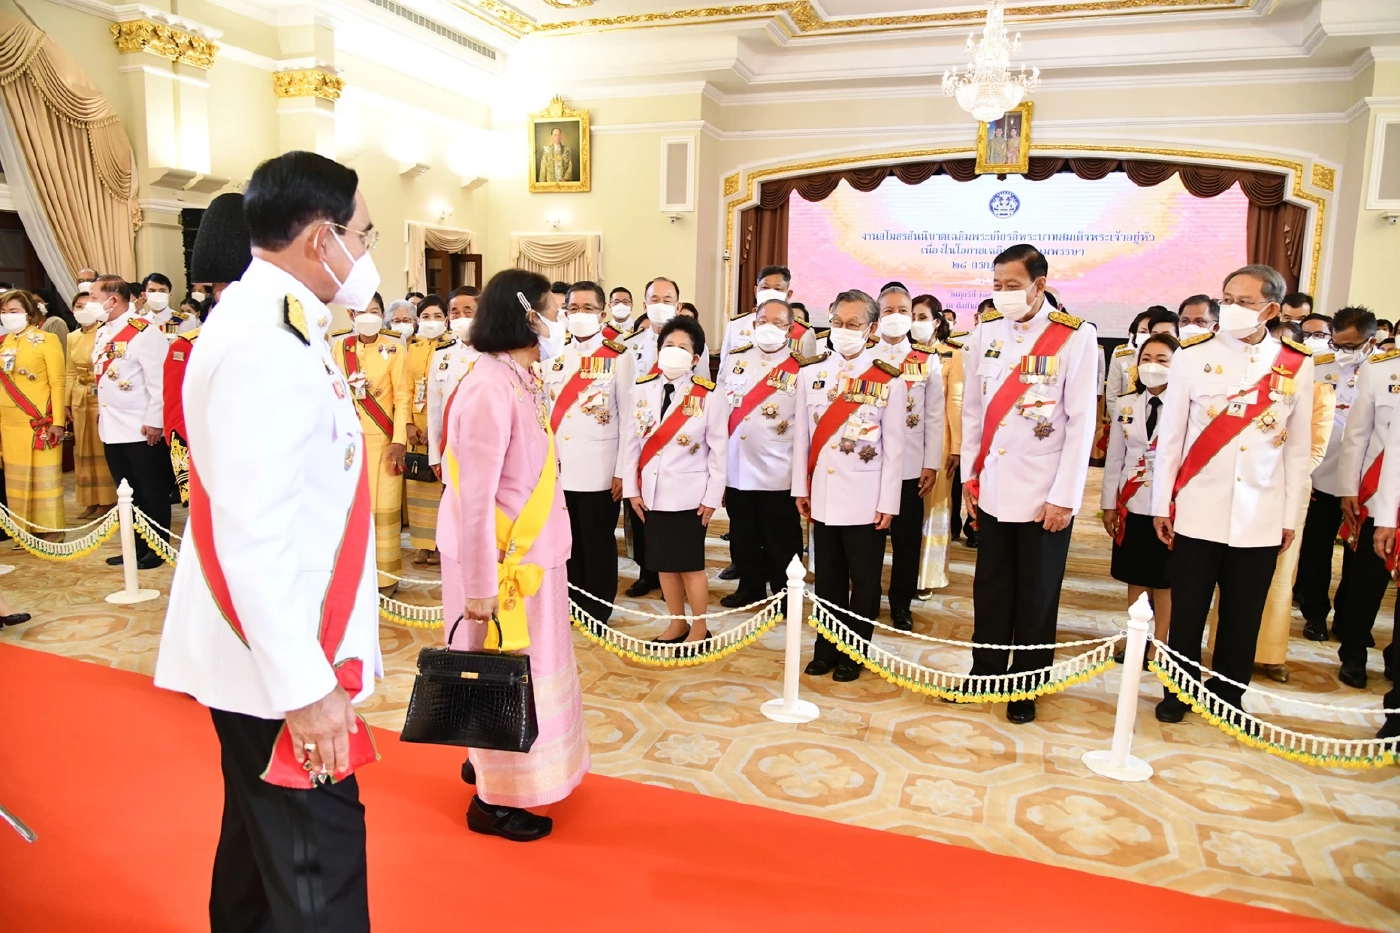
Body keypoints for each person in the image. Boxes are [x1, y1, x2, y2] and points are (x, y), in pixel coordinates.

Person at [154, 151, 382, 929]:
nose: (367, 249)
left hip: (266, 645)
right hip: (278, 656)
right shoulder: (264, 340)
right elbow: (254, 535)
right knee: (318, 869)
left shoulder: (276, 321)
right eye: (363, 231)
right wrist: (305, 687)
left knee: (259, 855)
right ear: (322, 239)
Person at [438, 267, 589, 841]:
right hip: (499, 565)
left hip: (530, 553)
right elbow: (474, 497)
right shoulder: (487, 386)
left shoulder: (522, 376)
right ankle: (494, 801)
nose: (557, 318)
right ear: (525, 315)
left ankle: (487, 763)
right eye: (550, 308)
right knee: (505, 675)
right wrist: (479, 585)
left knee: (527, 670)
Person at [1151, 264, 1315, 726]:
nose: (1232, 309)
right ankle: (1177, 692)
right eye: (1227, 298)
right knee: (1188, 610)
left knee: (1243, 615)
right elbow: (1172, 439)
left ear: (1271, 309)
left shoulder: (1297, 364)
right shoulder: (1192, 354)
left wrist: (1289, 517)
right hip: (1199, 507)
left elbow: (1297, 451)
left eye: (1243, 301)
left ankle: (1228, 697)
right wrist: (1163, 503)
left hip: (1260, 513)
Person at [960, 245, 1098, 724]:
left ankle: (1027, 684)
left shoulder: (1075, 337)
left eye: (1012, 286)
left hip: (1044, 491)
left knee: (1037, 593)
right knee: (991, 586)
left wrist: (1064, 497)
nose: (1003, 295)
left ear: (1040, 285)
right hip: (993, 484)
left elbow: (1082, 425)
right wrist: (969, 480)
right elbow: (974, 412)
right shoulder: (984, 334)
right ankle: (985, 671)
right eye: (997, 285)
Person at [794, 289, 907, 681]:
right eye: (837, 323)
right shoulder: (810, 373)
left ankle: (854, 651)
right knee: (827, 579)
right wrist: (800, 489)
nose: (843, 331)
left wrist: (889, 501)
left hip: (865, 495)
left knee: (863, 581)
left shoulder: (889, 380)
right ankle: (825, 648)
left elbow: (895, 448)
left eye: (853, 325)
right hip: (823, 494)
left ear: (871, 329)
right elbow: (802, 441)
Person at [622, 315, 725, 643]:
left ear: (696, 359)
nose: (674, 352)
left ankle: (699, 627)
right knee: (663, 563)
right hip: (651, 494)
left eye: (683, 348)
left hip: (690, 496)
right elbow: (631, 444)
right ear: (657, 349)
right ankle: (676, 622)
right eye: (669, 345)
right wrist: (631, 489)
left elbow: (719, 452)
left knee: (689, 565)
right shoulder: (640, 390)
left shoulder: (710, 395)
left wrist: (712, 497)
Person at [545, 281, 633, 625]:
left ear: (603, 313)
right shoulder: (554, 353)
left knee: (597, 541)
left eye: (588, 308)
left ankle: (597, 607)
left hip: (599, 469)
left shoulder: (619, 356)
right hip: (558, 468)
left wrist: (623, 470)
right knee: (566, 540)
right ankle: (570, 600)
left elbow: (628, 417)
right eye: (574, 308)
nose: (580, 315)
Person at [1292, 307, 1376, 646]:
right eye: (1337, 343)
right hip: (1323, 475)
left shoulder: (1386, 370)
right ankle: (1315, 613)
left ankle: (1349, 618)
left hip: (1366, 479)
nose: (1343, 351)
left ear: (1370, 341)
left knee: (1361, 556)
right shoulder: (1316, 365)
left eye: (1352, 345)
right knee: (1316, 548)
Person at [166, 191, 253, 508]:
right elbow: (179, 417)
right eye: (221, 288)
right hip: (218, 468)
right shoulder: (191, 346)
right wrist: (186, 479)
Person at [719, 297, 803, 609]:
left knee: (781, 538)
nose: (769, 328)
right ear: (754, 325)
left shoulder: (802, 368)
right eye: (763, 321)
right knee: (743, 535)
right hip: (738, 465)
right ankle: (750, 587)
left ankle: (785, 595)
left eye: (778, 323)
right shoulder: (736, 359)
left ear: (790, 329)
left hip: (778, 469)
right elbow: (722, 408)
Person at [1330, 320, 1400, 693]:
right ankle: (1354, 653)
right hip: (1376, 496)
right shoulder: (1382, 368)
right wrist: (1348, 489)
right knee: (1366, 582)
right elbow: (1357, 434)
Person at [870, 285, 944, 629]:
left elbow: (933, 416)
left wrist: (931, 463)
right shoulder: (863, 356)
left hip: (910, 466)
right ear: (877, 315)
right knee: (867, 540)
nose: (896, 317)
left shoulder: (925, 360)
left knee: (906, 540)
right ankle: (867, 601)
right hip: (868, 464)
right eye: (889, 311)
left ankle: (901, 603)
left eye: (904, 311)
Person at [1102, 333, 1179, 661]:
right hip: (1133, 502)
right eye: (1147, 358)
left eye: (1162, 360)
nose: (1153, 366)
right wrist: (1108, 503)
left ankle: (1160, 647)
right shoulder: (1127, 404)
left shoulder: (1185, 405)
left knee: (1165, 580)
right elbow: (1114, 458)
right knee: (1136, 574)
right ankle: (1137, 639)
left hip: (1170, 506)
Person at [90, 275, 170, 570]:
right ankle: (134, 546)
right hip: (112, 425)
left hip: (139, 426)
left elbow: (159, 382)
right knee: (127, 490)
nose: (90, 304)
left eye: (94, 297)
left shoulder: (144, 333)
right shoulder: (103, 332)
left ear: (114, 299)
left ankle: (157, 547)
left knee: (151, 489)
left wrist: (155, 421)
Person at [331, 291, 409, 594]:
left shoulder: (393, 349)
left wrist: (399, 440)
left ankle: (386, 578)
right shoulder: (340, 346)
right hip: (349, 441)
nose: (368, 316)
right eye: (361, 311)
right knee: (353, 508)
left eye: (374, 310)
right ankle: (356, 575)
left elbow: (402, 397)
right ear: (351, 316)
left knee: (385, 508)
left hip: (385, 441)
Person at [622, 276, 685, 597]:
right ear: (644, 303)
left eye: (667, 298)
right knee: (641, 514)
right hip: (641, 443)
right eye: (654, 298)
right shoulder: (628, 347)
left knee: (674, 516)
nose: (660, 304)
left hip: (679, 446)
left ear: (678, 303)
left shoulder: (689, 343)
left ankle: (673, 576)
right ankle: (648, 573)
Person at [0, 289, 66, 540]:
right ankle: (23, 528)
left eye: (13, 311)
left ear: (28, 313)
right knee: (15, 478)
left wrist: (58, 421)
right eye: (4, 312)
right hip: (9, 423)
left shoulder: (46, 340)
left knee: (44, 477)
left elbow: (58, 382)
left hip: (38, 421)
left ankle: (51, 529)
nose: (8, 316)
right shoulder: (4, 342)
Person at [394, 296, 452, 566]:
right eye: (426, 316)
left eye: (437, 316)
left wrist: (435, 426)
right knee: (418, 485)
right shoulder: (411, 349)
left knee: (442, 485)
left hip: (442, 424)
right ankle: (423, 545)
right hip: (415, 425)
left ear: (446, 318)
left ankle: (443, 544)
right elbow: (404, 389)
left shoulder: (453, 348)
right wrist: (407, 423)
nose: (431, 321)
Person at [917, 312, 964, 593]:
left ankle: (928, 578)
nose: (914, 321)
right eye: (911, 315)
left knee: (934, 513)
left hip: (940, 443)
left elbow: (956, 402)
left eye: (921, 316)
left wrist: (957, 447)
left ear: (936, 321)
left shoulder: (953, 355)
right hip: (904, 443)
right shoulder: (903, 352)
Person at [66, 290, 116, 518]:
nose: (82, 310)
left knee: (99, 446)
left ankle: (107, 499)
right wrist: (66, 401)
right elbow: (69, 371)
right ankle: (89, 499)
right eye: (78, 306)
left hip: (99, 394)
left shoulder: (104, 333)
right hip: (79, 394)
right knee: (82, 447)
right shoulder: (72, 337)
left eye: (88, 305)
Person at [718, 265, 815, 375]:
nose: (771, 293)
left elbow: (808, 377)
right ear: (756, 291)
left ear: (788, 294)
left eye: (778, 289)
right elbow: (723, 373)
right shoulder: (736, 325)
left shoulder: (804, 333)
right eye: (765, 288)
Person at [427, 286, 479, 479]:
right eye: (455, 312)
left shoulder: (497, 354)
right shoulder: (441, 355)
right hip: (450, 451)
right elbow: (434, 409)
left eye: (468, 312)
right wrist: (435, 454)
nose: (461, 317)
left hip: (484, 453)